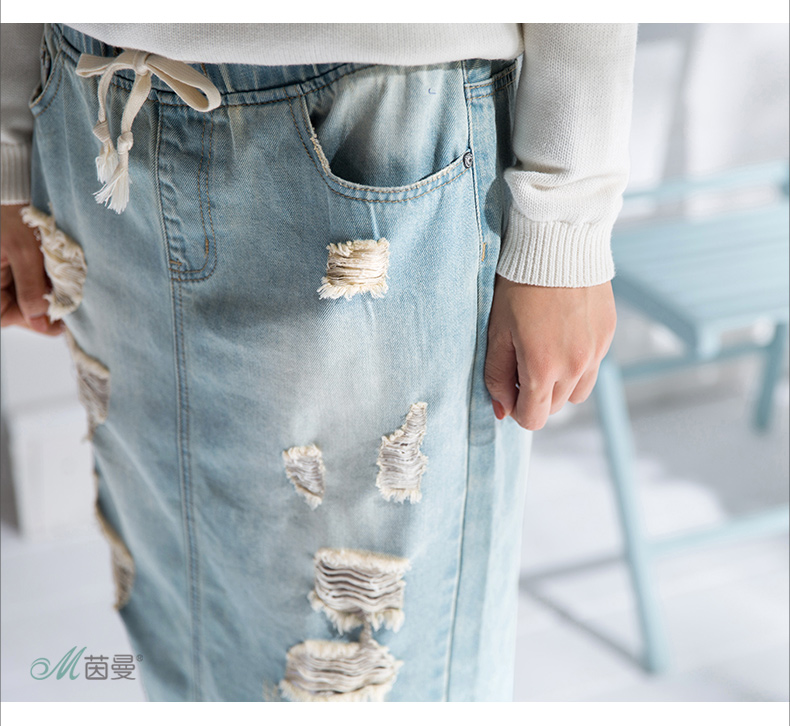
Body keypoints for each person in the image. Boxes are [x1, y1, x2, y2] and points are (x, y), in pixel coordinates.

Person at [0, 23, 636, 702]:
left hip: (370, 121)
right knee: (170, 617)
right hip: (97, 115)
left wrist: (567, 218)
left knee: (373, 669)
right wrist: (10, 154)